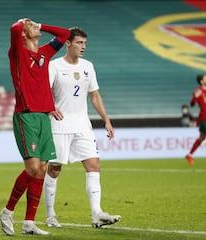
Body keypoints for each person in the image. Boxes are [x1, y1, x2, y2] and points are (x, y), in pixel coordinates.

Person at [43, 27, 121, 229]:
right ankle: (50, 215)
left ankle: (97, 213)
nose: (83, 47)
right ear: (67, 43)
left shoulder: (88, 66)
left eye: (85, 43)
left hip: (83, 125)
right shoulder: (55, 66)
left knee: (94, 166)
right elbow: (44, 91)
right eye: (79, 43)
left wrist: (106, 119)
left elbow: (94, 94)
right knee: (54, 169)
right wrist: (50, 108)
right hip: (59, 126)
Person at [0, 18, 70, 236]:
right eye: (30, 25)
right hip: (26, 117)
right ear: (23, 33)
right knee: (32, 168)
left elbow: (65, 33)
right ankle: (7, 211)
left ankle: (29, 222)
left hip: (44, 118)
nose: (34, 26)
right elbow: (13, 28)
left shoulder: (44, 54)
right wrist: (22, 22)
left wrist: (41, 25)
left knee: (41, 170)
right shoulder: (18, 52)